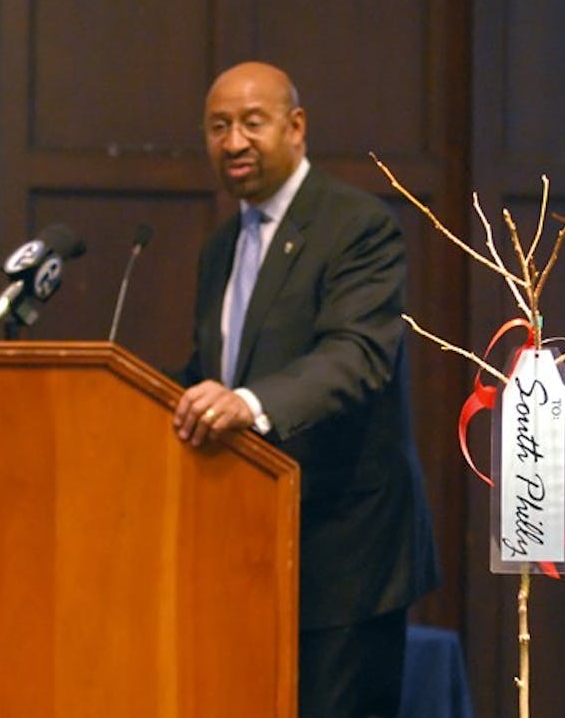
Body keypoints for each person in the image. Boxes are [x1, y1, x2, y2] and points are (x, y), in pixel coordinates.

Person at [172, 61, 440, 717]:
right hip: (252, 545)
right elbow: (216, 370)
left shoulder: (357, 225)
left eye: (251, 123)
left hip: (345, 554)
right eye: (218, 127)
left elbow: (356, 356)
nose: (234, 141)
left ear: (296, 128)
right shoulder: (222, 246)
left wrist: (249, 406)